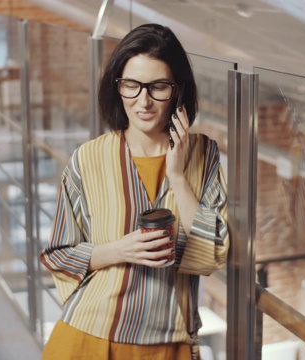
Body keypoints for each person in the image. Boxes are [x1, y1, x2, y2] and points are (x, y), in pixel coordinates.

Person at [40, 23, 229, 360]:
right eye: (131, 85)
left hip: (169, 342)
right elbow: (59, 254)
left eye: (157, 87)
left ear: (178, 91)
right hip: (88, 338)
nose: (143, 101)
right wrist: (119, 250)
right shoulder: (89, 157)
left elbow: (213, 254)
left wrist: (177, 176)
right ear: (119, 88)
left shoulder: (204, 155)